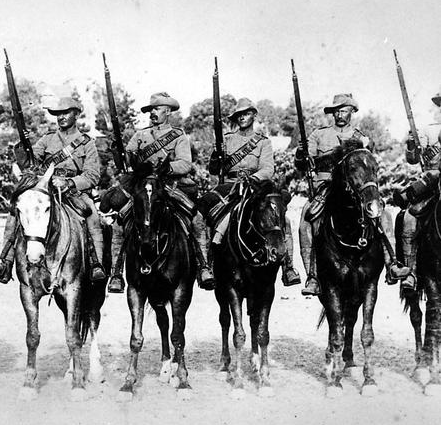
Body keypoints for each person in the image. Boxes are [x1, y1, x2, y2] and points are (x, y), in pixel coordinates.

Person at [295, 93, 408, 295]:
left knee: (383, 214)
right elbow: (305, 163)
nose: (340, 114)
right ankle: (312, 276)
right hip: (327, 187)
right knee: (307, 218)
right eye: (337, 110)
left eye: (344, 110)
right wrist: (301, 155)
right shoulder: (317, 135)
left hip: (356, 189)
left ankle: (392, 263)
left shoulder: (360, 137)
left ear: (352, 112)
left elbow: (369, 161)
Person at [107, 92, 215, 292]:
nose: (152, 113)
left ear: (168, 111)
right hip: (143, 185)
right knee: (119, 223)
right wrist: (118, 150)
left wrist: (165, 168)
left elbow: (185, 164)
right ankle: (116, 273)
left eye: (156, 109)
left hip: (169, 185)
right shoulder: (140, 135)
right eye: (151, 110)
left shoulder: (179, 135)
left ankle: (203, 266)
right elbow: (127, 160)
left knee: (197, 219)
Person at [0, 97, 107, 283]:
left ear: (76, 114)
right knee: (16, 212)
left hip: (74, 192)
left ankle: (96, 263)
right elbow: (29, 164)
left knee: (92, 215)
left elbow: (92, 175)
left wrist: (69, 183)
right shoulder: (47, 139)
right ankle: (5, 260)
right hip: (45, 189)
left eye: (66, 113)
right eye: (58, 114)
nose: (61, 117)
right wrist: (24, 145)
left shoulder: (87, 143)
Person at [207, 98, 301, 286]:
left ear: (254, 115)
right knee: (208, 214)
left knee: (283, 220)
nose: (242, 117)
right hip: (231, 186)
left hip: (256, 187)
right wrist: (216, 159)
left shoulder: (263, 142)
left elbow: (268, 168)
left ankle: (288, 266)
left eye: (246, 113)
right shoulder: (225, 140)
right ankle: (207, 263)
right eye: (239, 115)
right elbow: (213, 169)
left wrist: (254, 179)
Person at [394, 90, 441, 292]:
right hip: (431, 181)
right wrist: (412, 143)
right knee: (409, 218)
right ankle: (410, 271)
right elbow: (413, 159)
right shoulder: (428, 130)